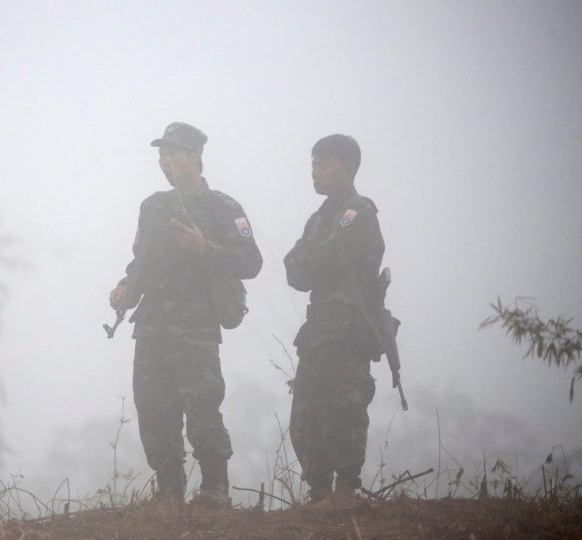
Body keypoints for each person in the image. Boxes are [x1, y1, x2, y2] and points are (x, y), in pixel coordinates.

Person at [108, 122, 263, 507]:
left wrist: (204, 246)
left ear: (195, 155)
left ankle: (214, 490)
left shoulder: (223, 207)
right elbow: (140, 262)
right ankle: (169, 491)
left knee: (201, 405)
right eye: (162, 154)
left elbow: (251, 261)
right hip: (152, 324)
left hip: (196, 324)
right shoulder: (153, 206)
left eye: (175, 153)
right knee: (153, 408)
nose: (167, 161)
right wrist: (127, 287)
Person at [283, 134, 385, 506]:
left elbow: (322, 260)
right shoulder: (320, 218)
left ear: (350, 168)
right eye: (314, 164)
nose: (316, 172)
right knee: (307, 414)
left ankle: (346, 489)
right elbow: (294, 271)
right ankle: (319, 490)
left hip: (348, 327)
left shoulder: (357, 212)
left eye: (325, 165)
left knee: (343, 408)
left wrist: (315, 260)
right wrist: (315, 259)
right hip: (319, 328)